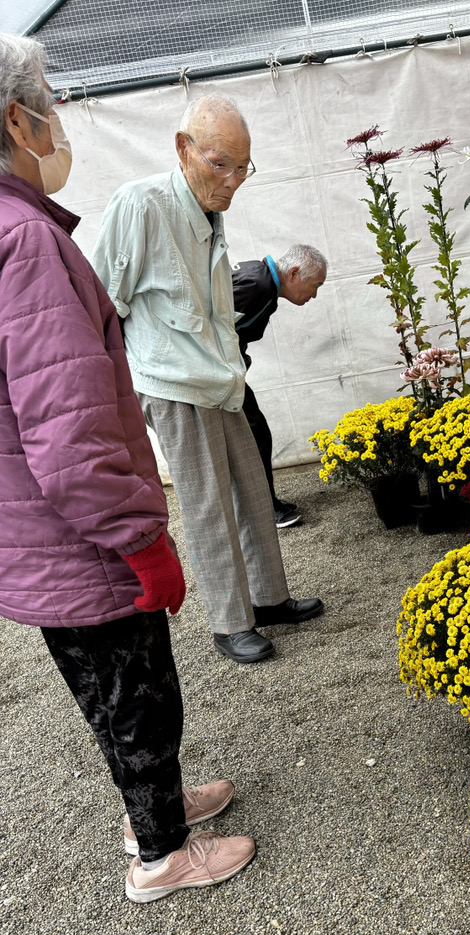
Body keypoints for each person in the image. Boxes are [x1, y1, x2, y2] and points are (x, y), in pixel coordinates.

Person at [0, 33, 256, 901]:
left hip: (36, 534)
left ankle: (157, 808)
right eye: (48, 100)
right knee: (139, 693)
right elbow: (68, 432)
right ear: (15, 119)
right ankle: (162, 856)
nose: (57, 119)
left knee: (107, 695)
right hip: (80, 541)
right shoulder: (27, 242)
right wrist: (141, 538)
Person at [91, 95, 323, 664]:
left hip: (221, 381)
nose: (233, 180)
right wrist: (123, 392)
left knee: (251, 487)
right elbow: (102, 302)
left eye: (243, 166)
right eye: (220, 164)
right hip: (172, 384)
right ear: (183, 149)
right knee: (208, 504)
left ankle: (268, 600)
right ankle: (228, 622)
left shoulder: (210, 210)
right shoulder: (140, 204)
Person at [232, 243, 328, 528]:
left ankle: (264, 505)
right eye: (315, 285)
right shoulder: (257, 286)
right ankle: (263, 510)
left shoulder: (258, 277)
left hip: (223, 371)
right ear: (295, 273)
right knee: (254, 435)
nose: (314, 294)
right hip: (212, 375)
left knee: (255, 433)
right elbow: (207, 324)